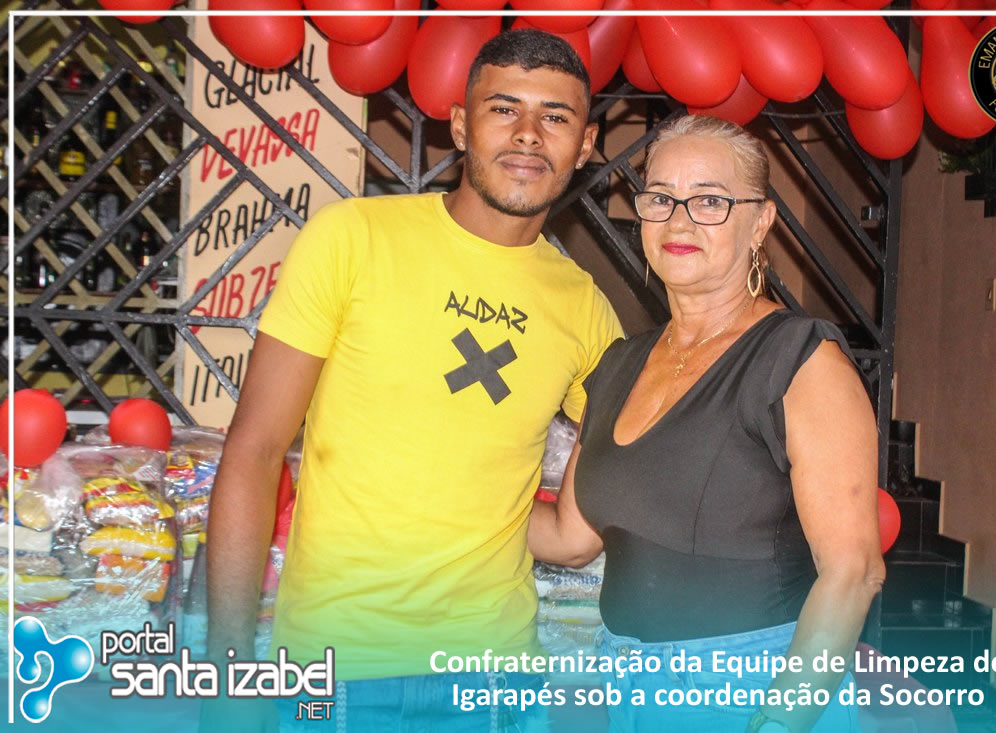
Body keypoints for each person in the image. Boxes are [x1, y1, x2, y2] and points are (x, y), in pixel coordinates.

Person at [200, 30, 622, 733]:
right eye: (503, 108)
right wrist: (228, 672)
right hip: (336, 671)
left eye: (555, 116)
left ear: (585, 145)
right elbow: (254, 451)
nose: (528, 133)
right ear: (459, 125)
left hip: (494, 682)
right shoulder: (352, 238)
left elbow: (585, 525)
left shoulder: (587, 310)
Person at [528, 115, 884, 733]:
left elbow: (854, 573)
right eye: (660, 198)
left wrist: (780, 722)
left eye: (711, 201)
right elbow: (570, 537)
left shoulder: (800, 360)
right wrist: (442, 499)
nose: (680, 220)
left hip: (752, 688)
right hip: (625, 683)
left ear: (761, 222)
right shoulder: (618, 364)